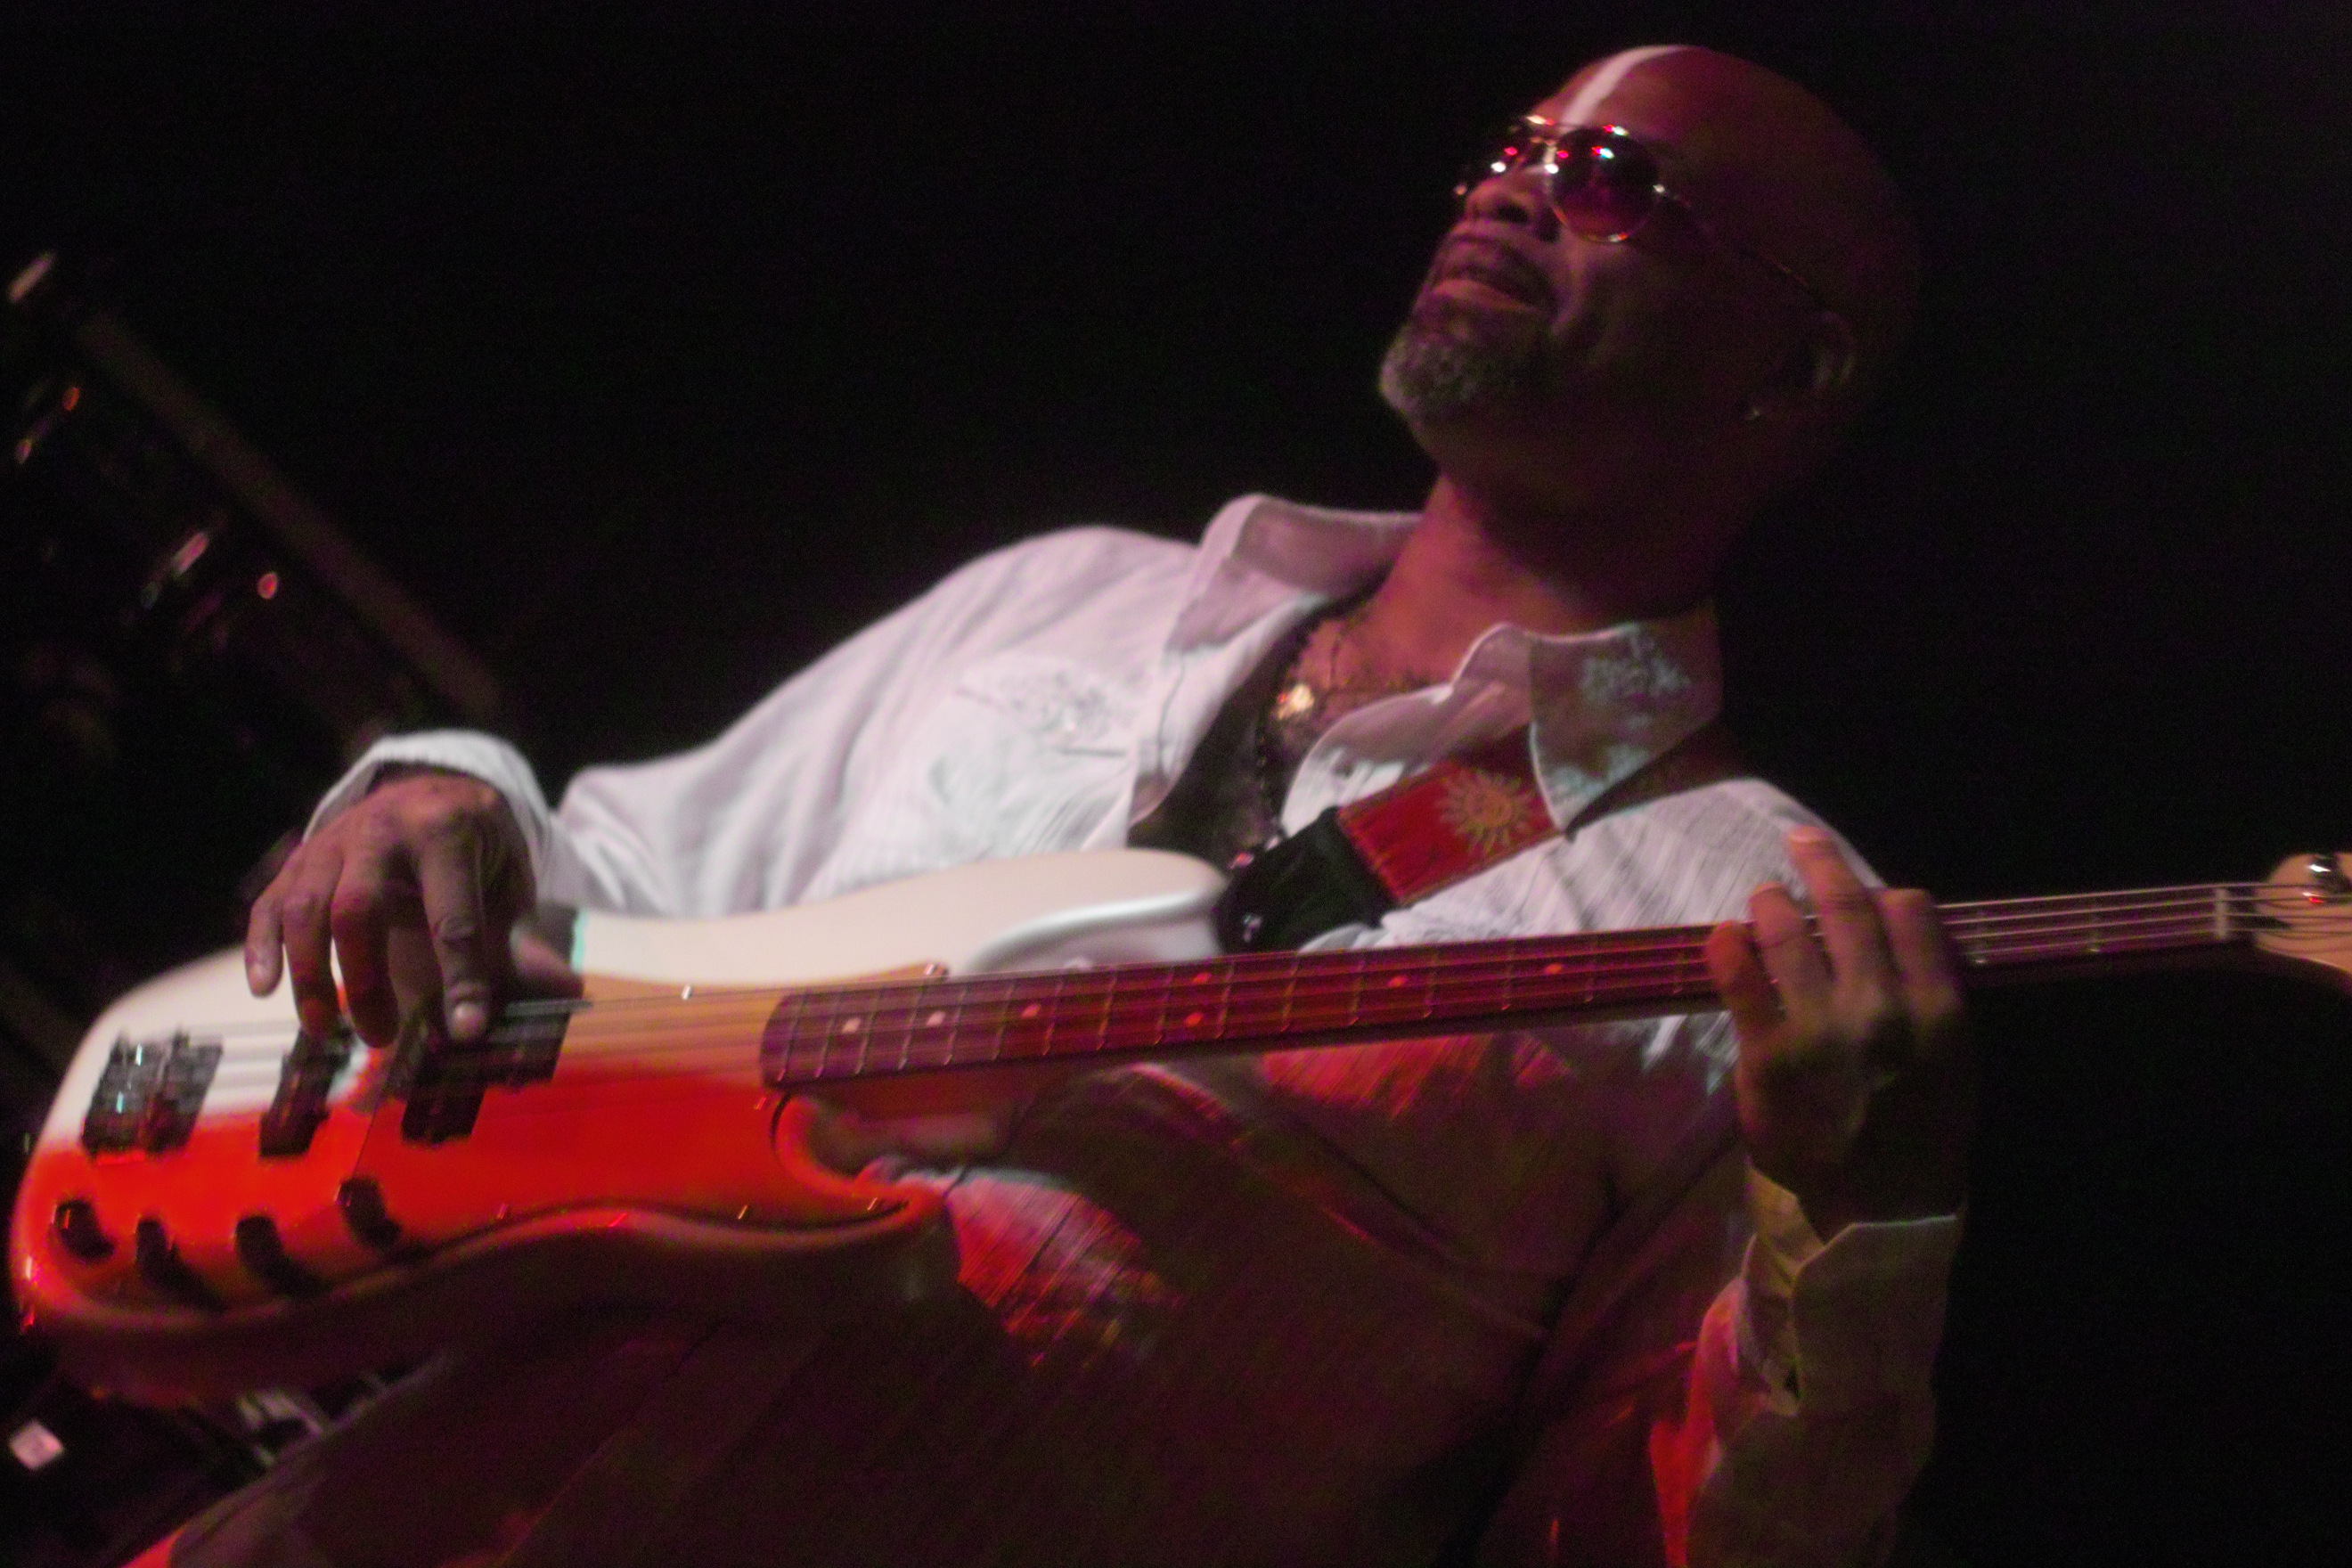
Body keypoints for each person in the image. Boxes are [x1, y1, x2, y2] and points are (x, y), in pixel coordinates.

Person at [154, 43, 1970, 1568]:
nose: (1510, 195)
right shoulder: (1071, 594)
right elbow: (618, 882)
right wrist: (437, 795)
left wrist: (1851, 1230)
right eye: (1515, 149)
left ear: (1791, 369)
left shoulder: (1757, 922)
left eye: (1614, 185)